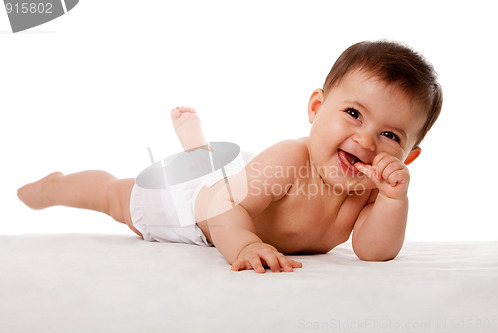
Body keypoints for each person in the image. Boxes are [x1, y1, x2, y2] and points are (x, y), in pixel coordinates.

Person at [18, 40, 442, 273]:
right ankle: (56, 185)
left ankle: (198, 148)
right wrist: (246, 245)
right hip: (197, 208)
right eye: (352, 113)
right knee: (115, 197)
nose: (365, 141)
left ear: (409, 156)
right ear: (316, 108)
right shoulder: (292, 159)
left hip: (241, 185)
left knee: (224, 173)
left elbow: (373, 252)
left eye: (388, 135)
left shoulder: (369, 191)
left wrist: (392, 199)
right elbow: (224, 212)